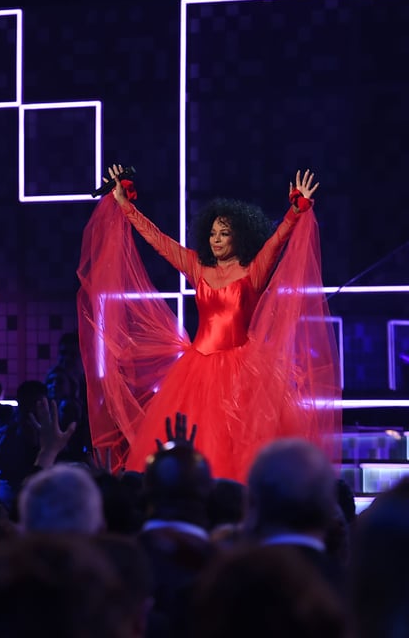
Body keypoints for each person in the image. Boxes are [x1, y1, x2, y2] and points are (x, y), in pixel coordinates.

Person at [76, 164, 340, 481]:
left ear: (239, 237)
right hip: (196, 369)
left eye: (224, 233)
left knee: (239, 451)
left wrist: (296, 210)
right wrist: (124, 205)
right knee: (190, 443)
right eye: (213, 233)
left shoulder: (252, 272)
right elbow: (157, 240)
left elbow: (279, 241)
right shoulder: (198, 268)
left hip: (243, 373)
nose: (216, 239)